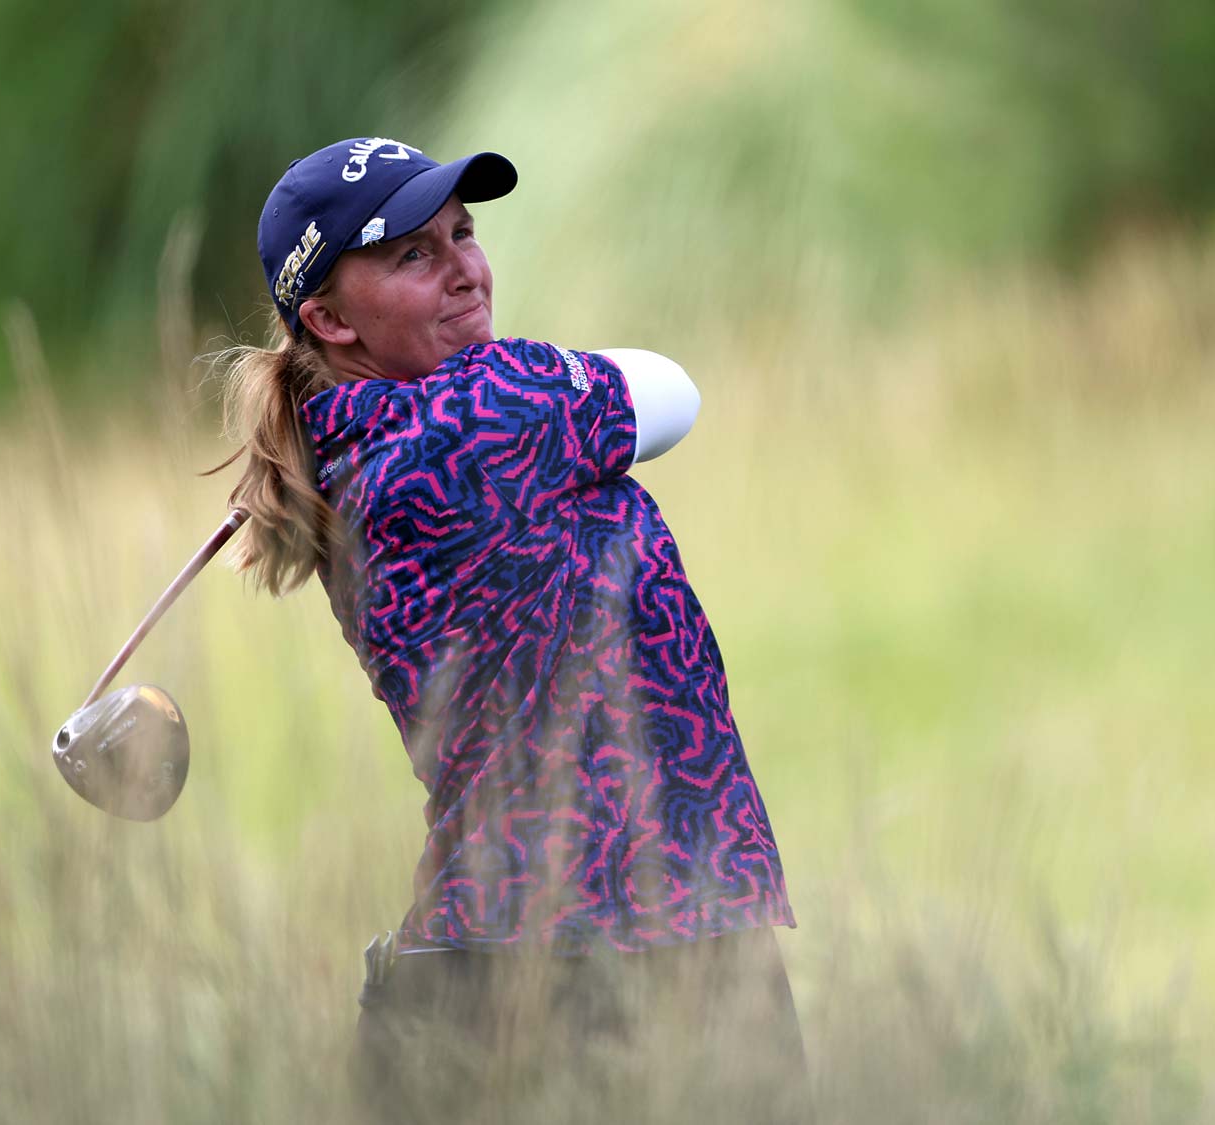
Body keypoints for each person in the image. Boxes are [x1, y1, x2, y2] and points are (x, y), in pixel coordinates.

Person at [214, 137, 805, 1119]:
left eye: (463, 233)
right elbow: (667, 390)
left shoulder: (354, 444)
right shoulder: (478, 411)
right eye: (411, 255)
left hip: (559, 954)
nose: (464, 272)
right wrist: (551, 377)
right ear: (326, 317)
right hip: (589, 972)